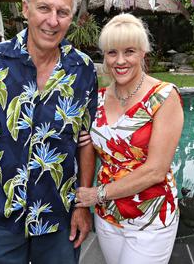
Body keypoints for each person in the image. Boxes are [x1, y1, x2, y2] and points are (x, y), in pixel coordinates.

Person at [0, 0, 98, 264]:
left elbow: (86, 141)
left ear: (71, 19)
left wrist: (83, 206)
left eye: (63, 13)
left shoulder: (82, 70)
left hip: (59, 216)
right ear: (25, 9)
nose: (53, 20)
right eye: (44, 8)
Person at [75, 14, 184, 264]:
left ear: (143, 53)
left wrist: (96, 194)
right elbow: (90, 146)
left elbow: (155, 171)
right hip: (108, 216)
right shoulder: (98, 99)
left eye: (130, 51)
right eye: (112, 53)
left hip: (150, 218)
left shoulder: (164, 96)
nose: (120, 61)